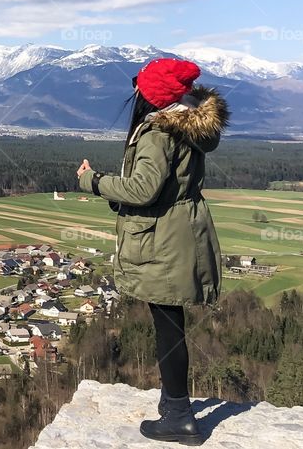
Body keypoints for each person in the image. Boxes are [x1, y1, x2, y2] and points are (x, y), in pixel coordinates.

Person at [76, 58, 228, 446]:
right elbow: (162, 187)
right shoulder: (187, 127)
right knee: (170, 324)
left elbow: (144, 190)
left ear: (151, 94)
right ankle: (173, 405)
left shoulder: (157, 133)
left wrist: (93, 182)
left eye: (139, 86)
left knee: (168, 329)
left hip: (162, 238)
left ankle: (179, 415)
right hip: (181, 231)